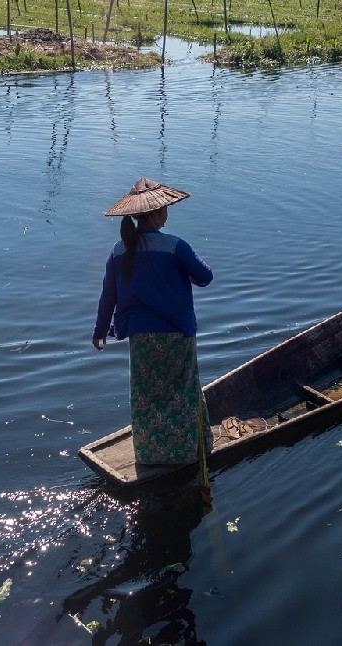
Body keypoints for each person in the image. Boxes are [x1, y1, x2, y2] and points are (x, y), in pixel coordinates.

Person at [92, 177, 214, 465]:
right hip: (176, 334)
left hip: (141, 337)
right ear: (158, 214)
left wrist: (100, 330)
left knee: (147, 396)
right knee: (183, 391)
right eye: (165, 209)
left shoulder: (118, 250)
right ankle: (187, 452)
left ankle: (149, 455)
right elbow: (205, 277)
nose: (167, 213)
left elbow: (107, 294)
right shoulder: (175, 246)